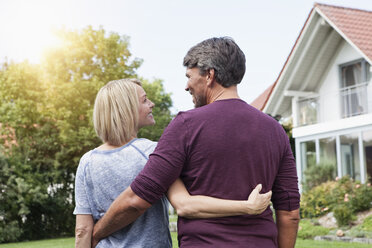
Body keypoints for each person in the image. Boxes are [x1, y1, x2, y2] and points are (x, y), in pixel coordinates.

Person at [92, 37, 301, 248]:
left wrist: (97, 232)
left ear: (209, 75)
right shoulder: (275, 130)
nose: (186, 86)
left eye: (189, 76)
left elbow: (137, 200)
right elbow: (290, 213)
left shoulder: (186, 126)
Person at [74, 78, 272, 248]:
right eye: (144, 100)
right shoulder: (152, 153)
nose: (151, 104)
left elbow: (82, 229)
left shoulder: (87, 161)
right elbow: (185, 205)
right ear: (126, 109)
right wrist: (247, 206)